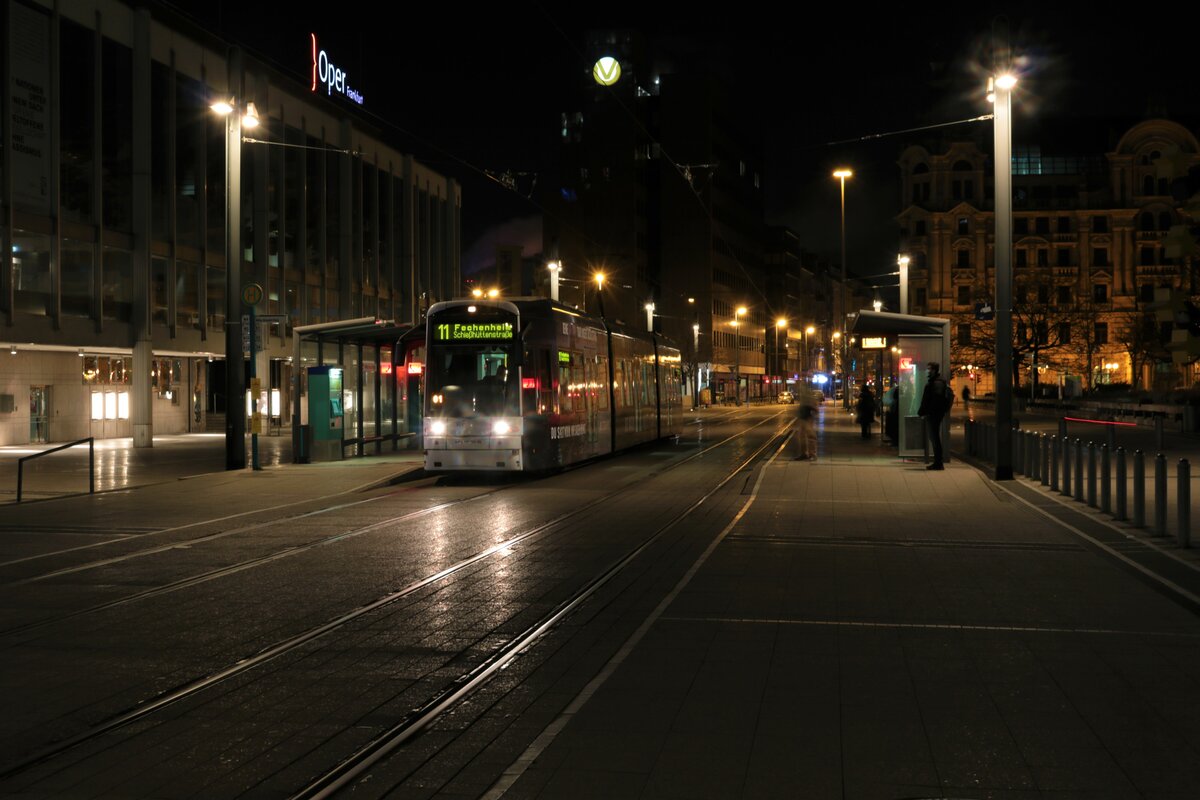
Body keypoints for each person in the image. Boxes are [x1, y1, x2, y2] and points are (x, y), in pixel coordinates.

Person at [918, 361, 951, 470]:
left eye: (929, 369)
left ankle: (938, 463)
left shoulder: (936, 383)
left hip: (934, 414)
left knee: (934, 437)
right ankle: (938, 462)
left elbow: (934, 400)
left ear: (934, 370)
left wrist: (926, 411)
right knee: (934, 437)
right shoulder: (936, 382)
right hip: (934, 413)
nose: (928, 371)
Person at [793, 389, 818, 460]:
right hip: (802, 418)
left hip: (808, 419)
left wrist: (812, 418)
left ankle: (812, 454)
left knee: (811, 436)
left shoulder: (809, 399)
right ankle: (804, 454)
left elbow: (815, 409)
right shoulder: (803, 399)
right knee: (802, 437)